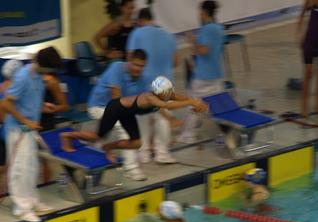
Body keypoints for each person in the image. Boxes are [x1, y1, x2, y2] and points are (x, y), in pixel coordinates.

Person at [61, 76, 208, 163]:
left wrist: (194, 100)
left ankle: (108, 148)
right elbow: (166, 105)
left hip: (127, 113)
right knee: (97, 137)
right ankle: (67, 136)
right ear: (160, 92)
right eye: (168, 92)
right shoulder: (151, 97)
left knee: (136, 143)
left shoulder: (162, 94)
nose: (171, 94)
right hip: (115, 109)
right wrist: (190, 103)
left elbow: (176, 97)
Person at [2, 47, 63, 222]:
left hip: (30, 130)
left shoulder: (38, 77)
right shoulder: (23, 77)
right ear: (43, 65)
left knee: (31, 168)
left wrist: (43, 107)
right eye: (50, 69)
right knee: (19, 169)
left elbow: (27, 100)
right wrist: (25, 121)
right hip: (17, 131)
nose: (51, 73)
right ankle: (21, 208)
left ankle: (32, 201)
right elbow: (5, 104)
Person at [86, 49, 151, 181]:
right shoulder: (117, 68)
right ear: (129, 61)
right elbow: (116, 100)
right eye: (135, 65)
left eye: (141, 66)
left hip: (116, 108)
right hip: (98, 106)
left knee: (104, 137)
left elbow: (146, 100)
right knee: (125, 129)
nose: (138, 69)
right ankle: (131, 169)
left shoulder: (143, 79)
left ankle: (94, 169)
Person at [127, 7, 180, 164]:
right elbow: (176, 62)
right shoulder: (168, 35)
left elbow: (131, 59)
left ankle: (143, 154)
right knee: (163, 119)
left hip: (143, 82)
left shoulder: (136, 33)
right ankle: (162, 154)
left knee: (142, 119)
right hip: (165, 82)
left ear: (140, 21)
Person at [179, 0, 225, 145]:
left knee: (194, 105)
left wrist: (192, 40)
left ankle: (188, 135)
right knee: (218, 107)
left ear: (204, 12)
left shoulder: (207, 30)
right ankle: (223, 133)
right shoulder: (219, 29)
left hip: (203, 76)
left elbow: (203, 50)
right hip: (216, 74)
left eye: (200, 11)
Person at [0, 60, 24, 197]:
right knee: (11, 167)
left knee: (4, 167)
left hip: (4, 132)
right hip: (12, 132)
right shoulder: (19, 89)